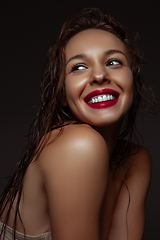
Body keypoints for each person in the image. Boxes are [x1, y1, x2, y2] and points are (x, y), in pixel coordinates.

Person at [0, 8, 153, 240]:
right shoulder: (78, 145)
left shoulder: (136, 162)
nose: (99, 75)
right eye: (79, 67)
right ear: (61, 93)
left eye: (113, 62)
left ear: (133, 81)